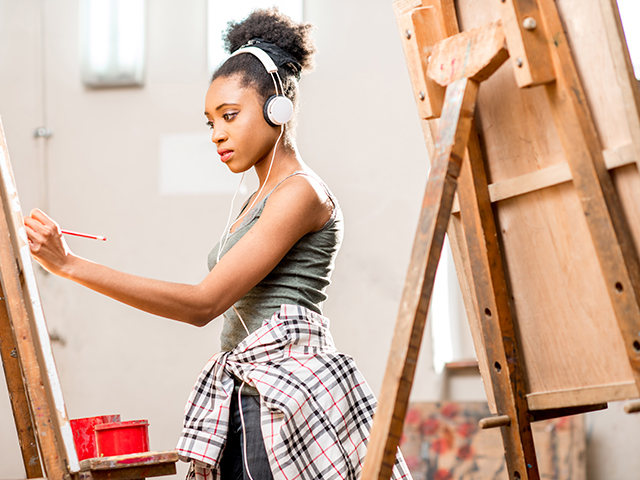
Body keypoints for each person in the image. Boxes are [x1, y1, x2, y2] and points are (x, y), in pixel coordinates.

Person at [25, 8, 411, 480]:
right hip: (246, 395)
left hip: (283, 402)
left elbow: (203, 303)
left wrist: (69, 265)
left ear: (278, 109)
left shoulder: (300, 194)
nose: (218, 134)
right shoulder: (257, 199)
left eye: (230, 116)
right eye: (210, 122)